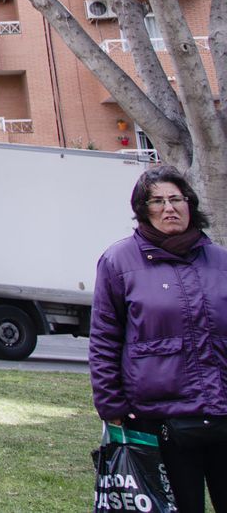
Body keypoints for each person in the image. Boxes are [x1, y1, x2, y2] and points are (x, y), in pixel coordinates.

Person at [90, 165, 227, 513]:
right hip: (159, 420)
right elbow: (105, 339)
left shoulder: (220, 261)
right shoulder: (118, 261)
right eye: (158, 201)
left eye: (177, 199)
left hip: (222, 414)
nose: (169, 208)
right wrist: (111, 405)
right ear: (142, 209)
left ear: (190, 204)